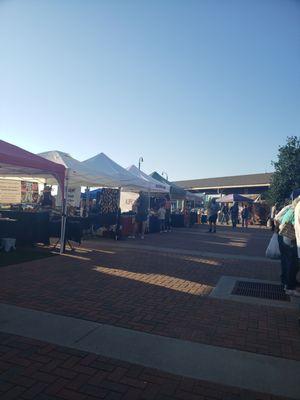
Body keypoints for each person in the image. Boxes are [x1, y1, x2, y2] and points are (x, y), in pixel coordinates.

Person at [275, 195, 300, 297]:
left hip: (282, 235)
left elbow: (277, 218)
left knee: (285, 260)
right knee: (293, 262)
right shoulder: (296, 209)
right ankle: (289, 286)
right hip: (289, 237)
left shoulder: (290, 208)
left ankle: (286, 281)